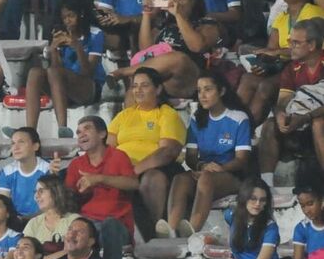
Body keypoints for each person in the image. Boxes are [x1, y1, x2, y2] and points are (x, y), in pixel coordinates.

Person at [165, 73, 253, 238]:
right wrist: (201, 166)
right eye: (199, 91)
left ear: (221, 91)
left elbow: (242, 159)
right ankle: (171, 230)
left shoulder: (238, 118)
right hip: (205, 171)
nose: (202, 95)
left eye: (208, 90)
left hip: (232, 175)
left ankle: (192, 230)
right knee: (180, 179)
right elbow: (191, 157)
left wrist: (219, 168)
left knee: (206, 178)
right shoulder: (197, 117)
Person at [109, 67, 188, 242]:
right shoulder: (123, 116)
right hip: (125, 168)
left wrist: (135, 170)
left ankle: (152, 232)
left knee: (152, 178)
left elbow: (168, 152)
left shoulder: (167, 114)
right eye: (135, 86)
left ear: (158, 89)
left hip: (157, 167)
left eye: (144, 85)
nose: (138, 90)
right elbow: (108, 147)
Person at [110, 0, 222, 101]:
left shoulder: (206, 24)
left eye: (181, 0)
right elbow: (146, 51)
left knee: (177, 59)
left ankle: (122, 72)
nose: (176, 3)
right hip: (162, 79)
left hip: (189, 77)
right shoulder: (164, 25)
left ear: (193, 2)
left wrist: (178, 15)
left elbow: (197, 47)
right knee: (135, 91)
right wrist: (147, 14)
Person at [64, 116, 139, 259]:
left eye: (87, 129)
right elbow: (68, 199)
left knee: (109, 225)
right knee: (76, 227)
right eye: (78, 132)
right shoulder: (76, 164)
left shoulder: (118, 156)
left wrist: (99, 179)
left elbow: (133, 184)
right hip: (89, 223)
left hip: (118, 226)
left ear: (102, 134)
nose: (81, 134)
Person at [239, 0, 321, 125]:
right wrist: (264, 61)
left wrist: (276, 53)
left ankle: (245, 131)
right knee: (248, 79)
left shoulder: (313, 12)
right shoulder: (281, 17)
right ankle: (233, 126)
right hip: (281, 64)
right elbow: (271, 48)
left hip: (303, 65)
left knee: (266, 86)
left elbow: (311, 49)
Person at [23, 0, 105, 138]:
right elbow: (55, 69)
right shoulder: (63, 34)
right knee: (35, 72)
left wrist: (78, 47)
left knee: (54, 73)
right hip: (63, 88)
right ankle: (30, 131)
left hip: (89, 87)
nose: (67, 21)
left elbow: (88, 71)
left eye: (71, 16)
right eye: (64, 17)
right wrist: (54, 50)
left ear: (81, 14)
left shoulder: (95, 34)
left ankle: (63, 128)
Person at [257, 20, 324, 183]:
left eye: (295, 42)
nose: (290, 46)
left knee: (318, 123)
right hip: (299, 122)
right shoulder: (291, 69)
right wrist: (281, 115)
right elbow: (283, 101)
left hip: (315, 121)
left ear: (312, 45)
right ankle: (266, 185)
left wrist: (306, 117)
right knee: (270, 125)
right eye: (289, 41)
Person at [0, 129, 54, 221]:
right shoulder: (7, 171)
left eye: (21, 142)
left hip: (42, 219)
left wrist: (26, 219)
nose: (15, 147)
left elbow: (50, 206)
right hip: (15, 219)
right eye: (13, 143)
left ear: (35, 146)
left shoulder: (47, 169)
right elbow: (3, 202)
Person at [23, 174, 80, 259]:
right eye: (35, 192)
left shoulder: (74, 220)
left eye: (41, 191)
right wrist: (62, 253)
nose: (36, 196)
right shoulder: (33, 223)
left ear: (55, 191)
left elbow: (76, 252)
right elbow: (26, 257)